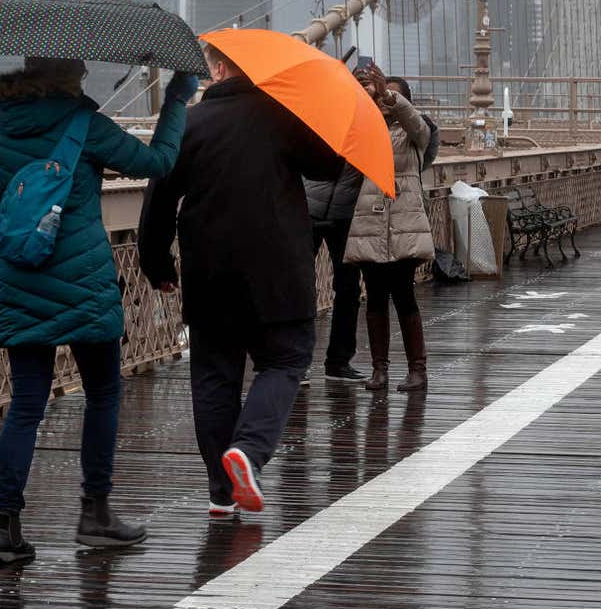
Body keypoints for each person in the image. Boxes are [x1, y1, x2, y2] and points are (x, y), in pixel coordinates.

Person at [0, 57, 193, 566]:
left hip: (22, 279)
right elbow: (158, 163)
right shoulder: (85, 123)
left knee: (25, 406)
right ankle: (95, 514)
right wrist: (176, 100)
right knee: (103, 393)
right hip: (84, 281)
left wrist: (24, 199)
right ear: (71, 75)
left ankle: (6, 529)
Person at [138, 43, 343, 519]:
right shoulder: (282, 116)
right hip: (279, 273)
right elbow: (331, 167)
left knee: (214, 376)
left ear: (219, 68)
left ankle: (220, 491)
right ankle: (248, 452)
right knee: (287, 359)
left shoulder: (186, 124)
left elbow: (158, 203)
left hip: (209, 273)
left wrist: (157, 265)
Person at [344, 68, 438, 393]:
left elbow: (417, 123)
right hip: (370, 225)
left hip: (404, 227)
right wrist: (359, 94)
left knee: (404, 294)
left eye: (391, 95)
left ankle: (418, 370)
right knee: (374, 300)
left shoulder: (415, 136)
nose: (383, 99)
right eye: (380, 94)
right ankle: (379, 370)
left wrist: (388, 95)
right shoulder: (367, 132)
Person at [305, 159, 367, 381]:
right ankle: (298, 360)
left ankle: (339, 361)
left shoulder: (366, 131)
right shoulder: (322, 127)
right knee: (300, 287)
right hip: (309, 208)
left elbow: (426, 148)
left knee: (349, 288)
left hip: (345, 213)